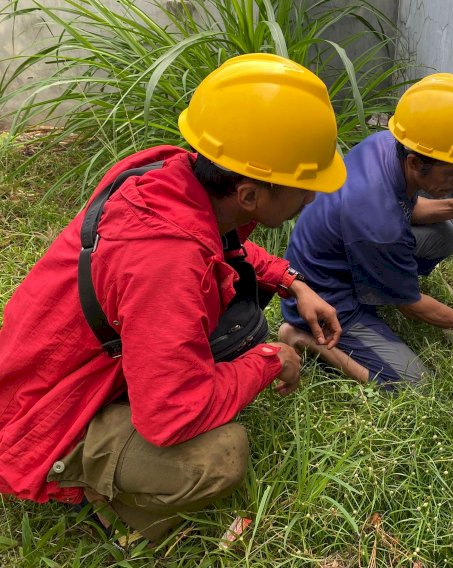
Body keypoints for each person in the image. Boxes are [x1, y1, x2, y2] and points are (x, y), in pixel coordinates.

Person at [0, 53, 346, 542]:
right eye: (303, 186)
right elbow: (170, 416)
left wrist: (293, 282)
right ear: (248, 194)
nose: (311, 197)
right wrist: (274, 359)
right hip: (47, 415)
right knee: (219, 455)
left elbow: (221, 243)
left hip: (49, 369)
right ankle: (110, 508)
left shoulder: (170, 174)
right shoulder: (166, 263)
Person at [280, 73, 453, 386]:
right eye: (451, 174)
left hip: (344, 250)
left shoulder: (389, 145)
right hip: (323, 294)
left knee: (444, 235)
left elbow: (405, 208)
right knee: (415, 383)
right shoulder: (378, 223)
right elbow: (410, 306)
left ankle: (385, 283)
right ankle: (302, 337)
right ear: (414, 163)